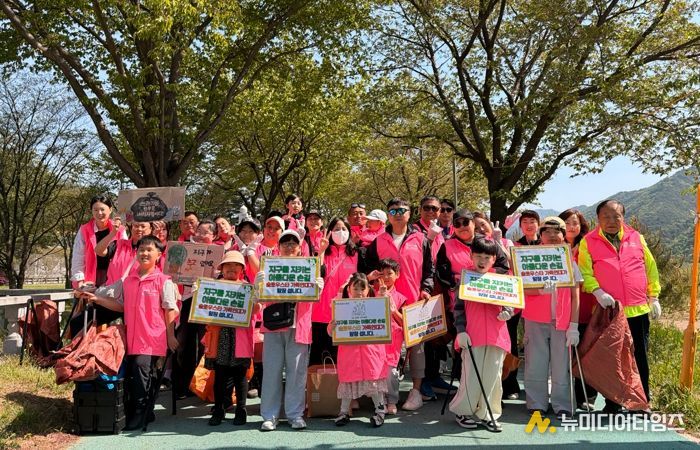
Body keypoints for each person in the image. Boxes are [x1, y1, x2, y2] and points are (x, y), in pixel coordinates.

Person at [80, 235, 179, 430]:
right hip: (132, 337)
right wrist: (97, 300)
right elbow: (121, 306)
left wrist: (170, 336)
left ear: (159, 255)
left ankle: (140, 412)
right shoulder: (128, 281)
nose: (144, 253)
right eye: (141, 250)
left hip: (153, 337)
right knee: (141, 373)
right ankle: (146, 411)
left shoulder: (163, 281)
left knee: (141, 371)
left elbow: (170, 309)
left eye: (149, 250)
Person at [578, 199, 660, 413]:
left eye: (616, 216)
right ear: (598, 219)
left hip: (638, 310)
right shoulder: (589, 241)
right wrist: (597, 291)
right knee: (611, 358)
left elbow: (650, 268)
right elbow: (585, 272)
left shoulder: (636, 237)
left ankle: (641, 403)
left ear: (623, 217)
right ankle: (613, 402)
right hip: (610, 311)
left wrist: (654, 297)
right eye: (606, 216)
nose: (611, 220)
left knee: (639, 357)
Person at [361, 197, 434, 411]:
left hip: (413, 302)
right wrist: (371, 281)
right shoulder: (378, 241)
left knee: (417, 348)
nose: (398, 214)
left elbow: (429, 270)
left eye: (402, 210)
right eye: (393, 211)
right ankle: (385, 394)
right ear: (388, 216)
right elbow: (368, 270)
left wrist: (426, 289)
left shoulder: (421, 239)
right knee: (385, 348)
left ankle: (416, 391)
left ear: (410, 214)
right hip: (385, 302)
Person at [257, 230, 324, 431]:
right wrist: (258, 285)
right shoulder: (269, 266)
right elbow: (259, 299)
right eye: (285, 242)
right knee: (271, 372)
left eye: (293, 243)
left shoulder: (309, 267)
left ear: (299, 247)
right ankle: (269, 416)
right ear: (278, 247)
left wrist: (318, 288)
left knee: (297, 373)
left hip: (299, 326)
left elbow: (314, 300)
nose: (289, 246)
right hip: (274, 326)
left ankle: (295, 414)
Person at [450, 237, 512, 432]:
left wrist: (508, 311)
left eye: (487, 257)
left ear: (494, 259)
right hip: (472, 335)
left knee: (493, 376)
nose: (482, 261)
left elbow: (512, 302)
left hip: (497, 336)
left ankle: (489, 414)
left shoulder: (501, 279)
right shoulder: (465, 278)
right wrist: (461, 331)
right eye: (478, 256)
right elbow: (458, 309)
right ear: (471, 256)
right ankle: (463, 411)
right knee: (470, 377)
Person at [522, 217, 581, 420]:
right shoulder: (530, 257)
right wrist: (539, 290)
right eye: (547, 231)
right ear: (541, 235)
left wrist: (574, 325)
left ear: (564, 235)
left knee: (561, 365)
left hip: (562, 322)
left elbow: (575, 295)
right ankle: (536, 403)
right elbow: (521, 288)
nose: (552, 235)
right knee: (535, 363)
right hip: (535, 319)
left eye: (557, 231)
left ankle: (563, 404)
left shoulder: (569, 260)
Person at [204, 251, 261, 426]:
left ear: (242, 269)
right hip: (220, 336)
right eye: (228, 265)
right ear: (222, 268)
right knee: (220, 375)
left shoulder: (247, 288)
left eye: (236, 265)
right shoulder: (213, 286)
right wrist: (200, 295)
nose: (232, 268)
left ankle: (241, 410)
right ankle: (219, 409)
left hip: (240, 338)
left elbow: (256, 310)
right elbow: (203, 309)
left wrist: (257, 298)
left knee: (240, 376)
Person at [330, 272, 388, 428]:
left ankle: (380, 411)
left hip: (371, 353)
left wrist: (383, 296)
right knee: (349, 382)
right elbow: (331, 331)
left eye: (363, 288)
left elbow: (386, 318)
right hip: (350, 354)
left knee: (374, 382)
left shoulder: (376, 304)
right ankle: (343, 412)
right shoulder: (341, 306)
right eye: (355, 288)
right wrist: (332, 327)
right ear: (349, 289)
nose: (359, 292)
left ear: (368, 289)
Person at [559, 208, 596, 409]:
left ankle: (586, 396)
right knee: (565, 355)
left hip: (586, 304)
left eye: (575, 223)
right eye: (567, 223)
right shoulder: (554, 247)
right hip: (562, 308)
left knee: (586, 352)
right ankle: (566, 396)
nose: (571, 227)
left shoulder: (588, 246)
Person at [310, 217, 358, 365]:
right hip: (321, 312)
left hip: (347, 313)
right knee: (318, 358)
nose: (340, 232)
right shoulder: (322, 252)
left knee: (343, 358)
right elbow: (316, 273)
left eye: (344, 229)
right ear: (330, 231)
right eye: (336, 229)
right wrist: (322, 251)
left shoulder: (357, 254)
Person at [373, 258, 407, 415]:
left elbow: (405, 323)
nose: (386, 277)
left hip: (394, 339)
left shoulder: (401, 297)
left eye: (389, 273)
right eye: (382, 274)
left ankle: (392, 400)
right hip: (376, 339)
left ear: (397, 274)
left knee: (391, 372)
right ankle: (380, 401)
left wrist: (394, 311)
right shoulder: (371, 294)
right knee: (376, 371)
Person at [71, 194, 126, 289]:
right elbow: (78, 257)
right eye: (95, 210)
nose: (99, 213)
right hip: (91, 278)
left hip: (115, 278)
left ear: (110, 210)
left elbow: (125, 256)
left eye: (102, 209)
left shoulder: (119, 230)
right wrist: (79, 281)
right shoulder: (84, 230)